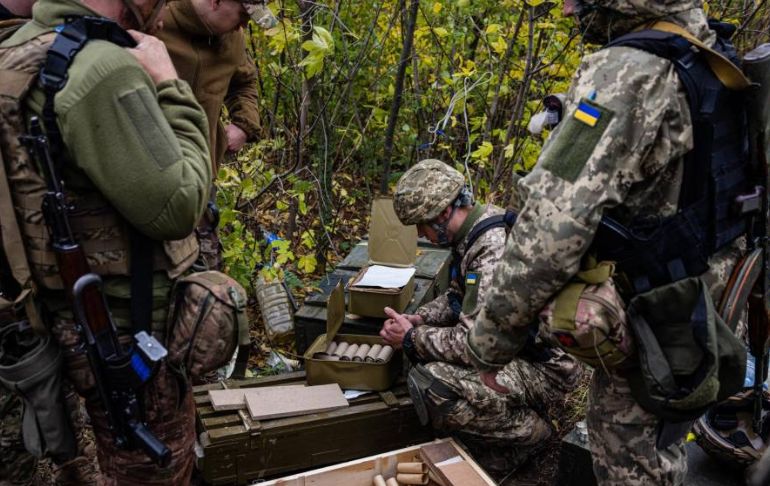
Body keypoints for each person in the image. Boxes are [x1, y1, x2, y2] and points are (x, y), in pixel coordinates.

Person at [466, 0, 752, 484]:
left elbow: (551, 229)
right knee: (665, 439)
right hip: (712, 295)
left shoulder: (628, 69)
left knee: (632, 461)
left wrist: (491, 344)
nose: (566, 7)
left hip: (652, 314)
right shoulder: (706, 49)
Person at [0, 0, 211, 483]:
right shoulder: (101, 67)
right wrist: (170, 86)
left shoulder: (18, 50)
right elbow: (178, 204)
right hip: (127, 331)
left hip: (62, 316)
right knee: (151, 469)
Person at [380, 159, 582, 476]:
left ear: (444, 213)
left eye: (422, 224)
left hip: (546, 369)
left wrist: (411, 338)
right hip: (516, 352)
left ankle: (531, 433)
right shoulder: (476, 231)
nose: (421, 234)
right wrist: (419, 319)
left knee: (435, 384)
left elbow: (476, 345)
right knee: (430, 361)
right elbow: (459, 298)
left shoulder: (492, 248)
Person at [158, 0, 261, 272]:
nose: (243, 26)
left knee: (205, 275)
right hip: (152, 178)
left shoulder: (232, 38)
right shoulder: (155, 22)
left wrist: (244, 124)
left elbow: (245, 82)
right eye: (241, 15)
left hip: (203, 179)